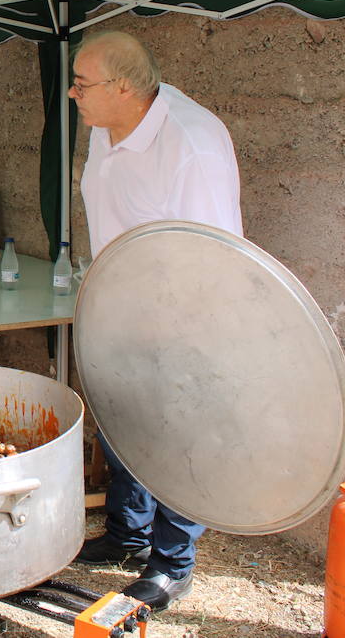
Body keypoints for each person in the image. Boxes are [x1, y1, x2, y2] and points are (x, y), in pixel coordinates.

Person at [69, 30, 242, 611]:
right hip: (122, 304)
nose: (72, 93)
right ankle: (128, 534)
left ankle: (172, 562)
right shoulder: (106, 126)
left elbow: (211, 255)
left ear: (123, 87)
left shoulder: (190, 145)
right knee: (124, 422)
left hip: (183, 315)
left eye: (82, 83)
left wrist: (182, 338)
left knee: (176, 437)